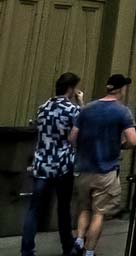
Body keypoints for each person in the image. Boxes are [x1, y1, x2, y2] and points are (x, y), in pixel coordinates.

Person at [69, 74, 136, 256]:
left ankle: (79, 239)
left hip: (84, 169)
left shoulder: (87, 109)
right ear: (121, 89)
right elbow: (133, 140)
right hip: (106, 171)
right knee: (98, 213)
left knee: (84, 208)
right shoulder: (122, 112)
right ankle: (89, 252)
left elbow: (72, 138)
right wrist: (122, 145)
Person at [21, 73, 83, 256]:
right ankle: (67, 247)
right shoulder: (72, 110)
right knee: (63, 208)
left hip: (41, 164)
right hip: (62, 164)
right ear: (71, 89)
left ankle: (27, 249)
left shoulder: (43, 108)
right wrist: (81, 103)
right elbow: (77, 133)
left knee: (34, 208)